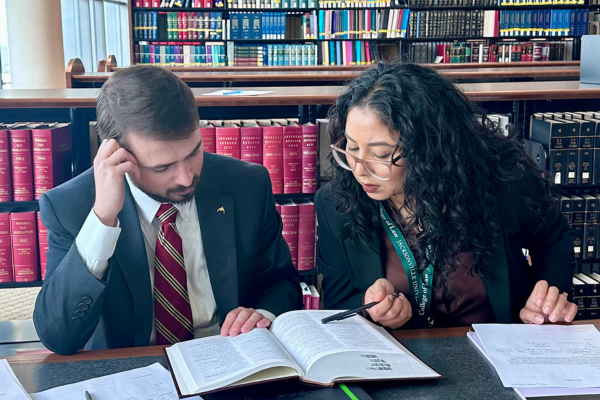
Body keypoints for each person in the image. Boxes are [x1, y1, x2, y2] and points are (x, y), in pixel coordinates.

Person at [34, 65, 301, 355]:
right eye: (162, 167)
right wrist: (103, 220)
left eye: (194, 152)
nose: (186, 178)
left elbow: (282, 283)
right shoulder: (71, 207)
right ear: (117, 156)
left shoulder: (247, 184)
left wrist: (263, 313)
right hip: (132, 372)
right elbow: (59, 337)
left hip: (229, 360)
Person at [315, 62, 577, 330]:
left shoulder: (503, 182)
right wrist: (370, 307)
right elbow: (338, 300)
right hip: (400, 357)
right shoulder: (335, 203)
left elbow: (554, 243)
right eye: (352, 147)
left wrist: (549, 299)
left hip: (497, 350)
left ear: (428, 149)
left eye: (381, 155)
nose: (360, 170)